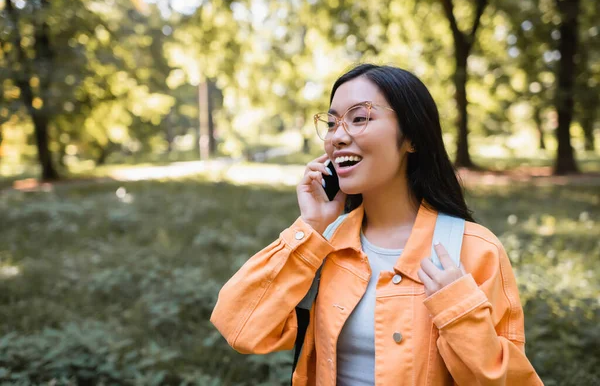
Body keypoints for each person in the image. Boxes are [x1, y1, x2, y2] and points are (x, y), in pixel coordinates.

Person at [210, 64, 543, 385]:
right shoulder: (322, 246)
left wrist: (458, 313)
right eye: (331, 123)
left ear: (412, 138)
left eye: (359, 118)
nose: (338, 136)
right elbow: (240, 327)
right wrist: (310, 229)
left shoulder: (476, 251)